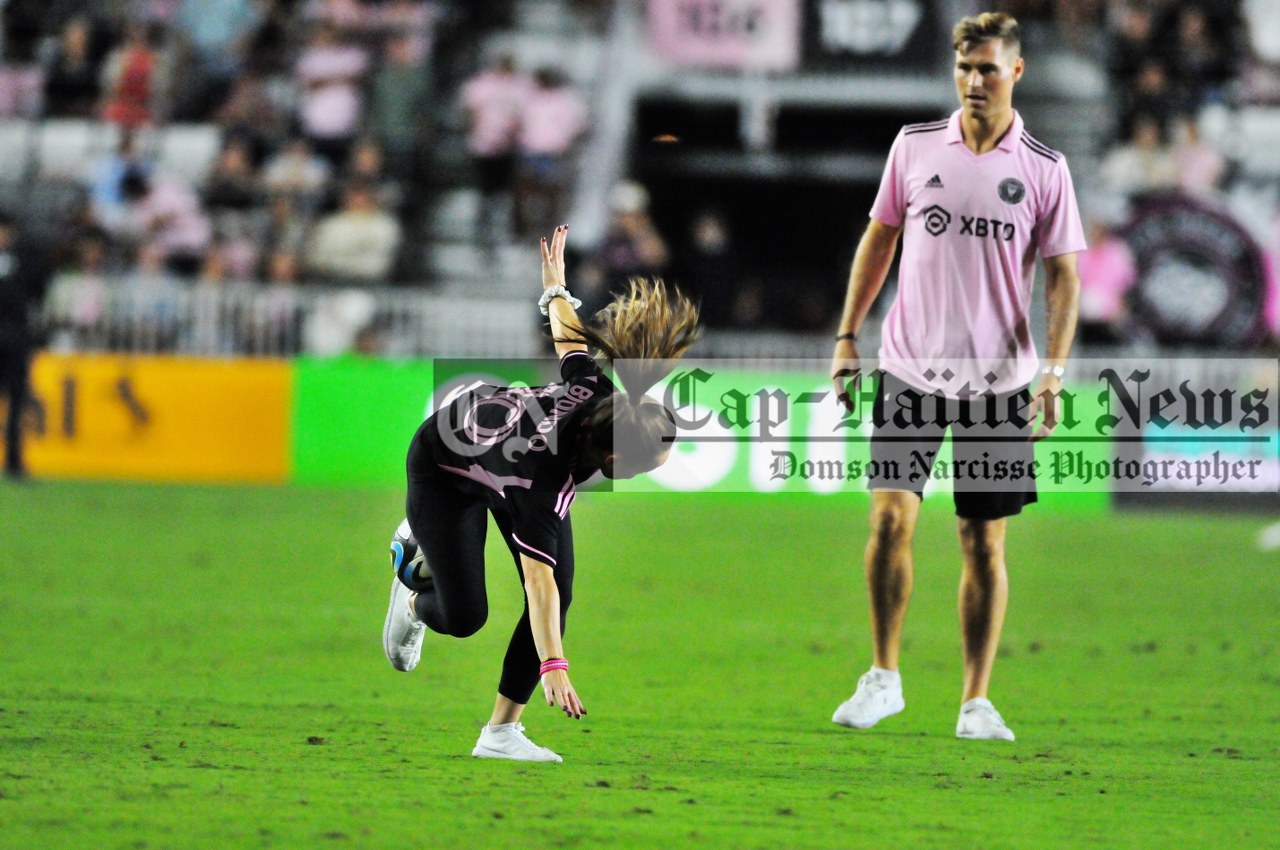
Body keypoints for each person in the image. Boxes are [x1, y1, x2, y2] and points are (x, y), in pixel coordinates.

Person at [828, 12, 1084, 741]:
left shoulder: (1044, 168)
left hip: (1001, 383)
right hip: (910, 369)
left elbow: (1066, 278)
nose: (975, 82)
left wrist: (1055, 371)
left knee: (983, 541)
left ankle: (976, 701)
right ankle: (882, 678)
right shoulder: (914, 148)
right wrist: (848, 335)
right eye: (965, 70)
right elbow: (879, 240)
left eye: (989, 70)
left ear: (1017, 72)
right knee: (888, 518)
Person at [381, 225, 699, 762]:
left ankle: (499, 734)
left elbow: (571, 343)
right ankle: (414, 588)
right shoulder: (542, 482)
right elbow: (537, 584)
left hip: (494, 457)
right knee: (466, 619)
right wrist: (554, 666)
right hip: (443, 466)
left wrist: (556, 288)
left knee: (560, 592)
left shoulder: (599, 396)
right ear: (616, 460)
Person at [0, 214, 51, 479]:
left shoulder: (24, 260)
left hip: (16, 339)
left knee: (17, 402)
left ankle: (14, 462)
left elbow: (39, 289)